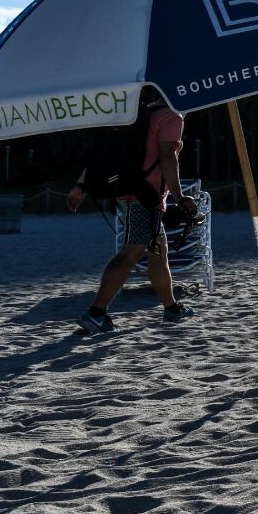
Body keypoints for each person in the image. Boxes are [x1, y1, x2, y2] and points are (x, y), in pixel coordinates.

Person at [67, 85, 196, 333]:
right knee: (130, 254)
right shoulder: (171, 116)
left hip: (134, 193)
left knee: (158, 252)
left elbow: (105, 154)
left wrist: (80, 186)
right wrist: (179, 197)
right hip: (143, 197)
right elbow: (168, 157)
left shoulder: (141, 114)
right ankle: (95, 312)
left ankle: (171, 307)